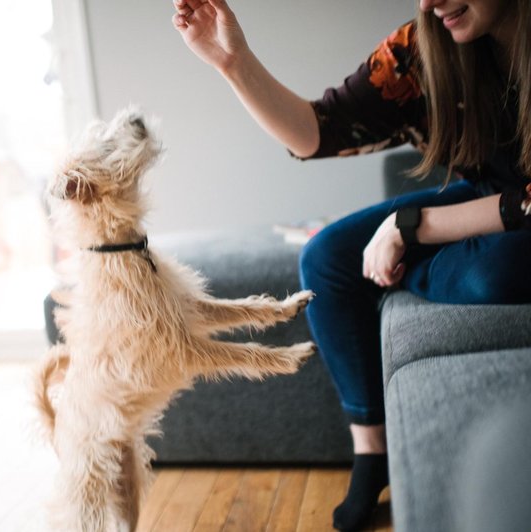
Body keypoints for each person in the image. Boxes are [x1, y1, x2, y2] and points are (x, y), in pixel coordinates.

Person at [171, 0, 531, 530]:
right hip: (490, 198)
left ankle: (419, 264)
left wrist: (414, 227)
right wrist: (234, 62)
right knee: (327, 259)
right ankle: (371, 452)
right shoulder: (421, 47)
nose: (431, 3)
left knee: (489, 274)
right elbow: (317, 132)